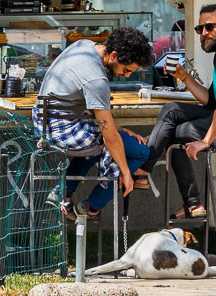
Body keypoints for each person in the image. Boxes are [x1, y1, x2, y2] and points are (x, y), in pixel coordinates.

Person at [134, 4, 216, 220]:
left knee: (177, 132)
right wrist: (184, 77)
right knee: (171, 111)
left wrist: (205, 141)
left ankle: (154, 177)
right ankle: (159, 180)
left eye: (210, 27)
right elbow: (211, 101)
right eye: (200, 29)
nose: (204, 33)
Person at [35, 26, 153, 219]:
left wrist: (118, 129)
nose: (127, 75)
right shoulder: (97, 80)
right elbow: (110, 138)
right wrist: (126, 173)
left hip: (45, 125)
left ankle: (62, 191)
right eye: (126, 69)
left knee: (96, 145)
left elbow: (98, 118)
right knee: (141, 151)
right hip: (65, 132)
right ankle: (91, 207)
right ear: (114, 54)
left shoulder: (83, 46)